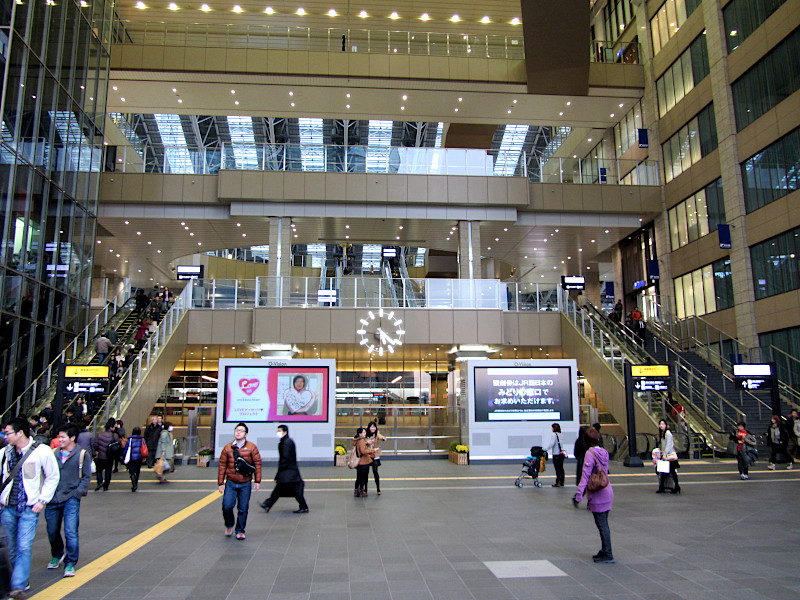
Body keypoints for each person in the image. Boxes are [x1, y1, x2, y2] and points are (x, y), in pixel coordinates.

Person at [1, 417, 60, 599]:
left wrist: (42, 500)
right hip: (7, 507)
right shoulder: (5, 452)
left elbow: (52, 476)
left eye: (8, 432)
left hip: (28, 507)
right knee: (11, 547)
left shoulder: (41, 451)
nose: (5, 436)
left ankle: (17, 586)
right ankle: (18, 580)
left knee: (24, 547)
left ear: (20, 433)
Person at [44, 424, 92, 578]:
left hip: (71, 497)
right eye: (59, 437)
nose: (60, 440)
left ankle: (70, 562)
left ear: (72, 438)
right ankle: (57, 554)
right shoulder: (53, 453)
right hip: (53, 497)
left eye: (63, 437)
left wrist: (77, 493)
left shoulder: (82, 454)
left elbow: (86, 477)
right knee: (52, 530)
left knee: (71, 531)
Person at [572, 427, 614, 563]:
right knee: (604, 523)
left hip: (597, 493)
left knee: (602, 525)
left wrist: (579, 494)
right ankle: (604, 550)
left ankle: (608, 553)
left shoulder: (590, 454)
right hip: (607, 489)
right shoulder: (604, 452)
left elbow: (585, 475)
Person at [219, 423, 262, 539]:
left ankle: (240, 530)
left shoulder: (252, 447)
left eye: (241, 431)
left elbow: (257, 464)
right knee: (227, 505)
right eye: (236, 430)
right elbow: (222, 465)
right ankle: (229, 524)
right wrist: (220, 482)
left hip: (245, 483)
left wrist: (257, 481)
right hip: (231, 482)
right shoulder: (227, 448)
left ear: (246, 434)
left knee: (243, 508)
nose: (238, 432)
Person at [260, 424, 308, 514]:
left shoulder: (286, 443)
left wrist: (281, 470)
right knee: (287, 490)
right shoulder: (286, 441)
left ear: (285, 432)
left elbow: (285, 457)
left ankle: (268, 504)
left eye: (279, 431)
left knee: (281, 489)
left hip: (288, 471)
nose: (278, 433)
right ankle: (268, 504)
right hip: (290, 472)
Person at [92, 418, 119, 491]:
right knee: (108, 471)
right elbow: (117, 446)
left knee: (99, 470)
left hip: (101, 456)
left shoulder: (99, 435)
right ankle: (106, 485)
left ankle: (100, 482)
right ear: (112, 427)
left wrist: (100, 450)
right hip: (110, 457)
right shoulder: (115, 436)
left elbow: (95, 445)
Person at [656, 419, 680, 494]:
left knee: (672, 472)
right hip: (665, 455)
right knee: (664, 472)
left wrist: (664, 454)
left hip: (669, 456)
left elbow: (669, 445)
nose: (661, 425)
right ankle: (663, 487)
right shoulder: (663, 433)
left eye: (663, 424)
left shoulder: (668, 433)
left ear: (666, 425)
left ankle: (676, 486)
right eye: (660, 424)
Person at [122, 427, 146, 492]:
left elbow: (126, 449)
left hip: (132, 457)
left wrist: (124, 456)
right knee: (137, 470)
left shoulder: (130, 439)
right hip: (139, 457)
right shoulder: (142, 439)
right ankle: (136, 482)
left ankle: (133, 483)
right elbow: (144, 448)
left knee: (132, 471)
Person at [365, 421, 386, 495]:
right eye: (371, 427)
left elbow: (380, 436)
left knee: (375, 472)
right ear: (369, 427)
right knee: (365, 473)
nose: (373, 428)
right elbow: (362, 441)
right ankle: (365, 489)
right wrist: (367, 442)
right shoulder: (365, 434)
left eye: (374, 427)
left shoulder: (376, 433)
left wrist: (383, 438)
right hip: (367, 455)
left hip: (375, 454)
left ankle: (378, 488)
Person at [353, 427, 374, 497]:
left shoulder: (357, 440)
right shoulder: (362, 441)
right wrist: (372, 450)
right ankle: (362, 491)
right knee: (363, 477)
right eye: (363, 432)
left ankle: (356, 490)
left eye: (365, 432)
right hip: (363, 462)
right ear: (360, 434)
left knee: (358, 477)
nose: (365, 433)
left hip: (359, 462)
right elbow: (363, 451)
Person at [544, 423, 566, 487]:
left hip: (556, 454)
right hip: (561, 454)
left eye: (552, 428)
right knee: (561, 468)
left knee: (557, 468)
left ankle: (558, 481)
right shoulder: (561, 434)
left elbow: (552, 444)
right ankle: (562, 481)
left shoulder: (554, 435)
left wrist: (545, 449)